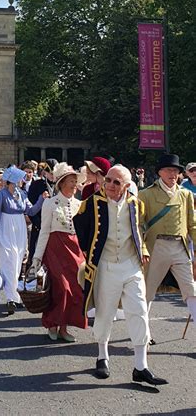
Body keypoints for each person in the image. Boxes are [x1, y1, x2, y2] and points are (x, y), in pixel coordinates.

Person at [74, 164, 167, 386]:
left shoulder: (136, 204)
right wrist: (87, 251)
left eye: (117, 182)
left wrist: (142, 249)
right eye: (108, 180)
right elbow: (79, 225)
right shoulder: (92, 203)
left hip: (131, 265)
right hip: (106, 265)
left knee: (139, 311)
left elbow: (138, 230)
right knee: (105, 313)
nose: (111, 185)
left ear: (127, 185)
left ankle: (141, 366)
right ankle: (102, 356)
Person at [139, 153, 196, 332]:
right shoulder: (145, 194)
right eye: (169, 170)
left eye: (176, 171)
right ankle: (143, 334)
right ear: (160, 172)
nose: (173, 174)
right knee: (147, 292)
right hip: (156, 248)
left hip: (180, 248)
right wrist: (142, 249)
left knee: (191, 290)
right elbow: (138, 225)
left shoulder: (186, 194)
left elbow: (193, 224)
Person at [32, 163, 87, 342]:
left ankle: (64, 327)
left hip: (75, 251)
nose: (74, 184)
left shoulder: (80, 204)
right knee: (60, 289)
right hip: (56, 249)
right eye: (71, 181)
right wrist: (37, 257)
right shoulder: (50, 203)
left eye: (75, 181)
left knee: (75, 290)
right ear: (62, 183)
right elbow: (44, 231)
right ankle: (52, 324)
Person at [0, 166, 41, 315]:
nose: (21, 181)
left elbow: (30, 211)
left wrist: (41, 200)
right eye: (19, 178)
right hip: (6, 230)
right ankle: (10, 298)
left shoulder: (22, 194)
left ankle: (15, 297)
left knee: (18, 264)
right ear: (13, 180)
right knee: (8, 264)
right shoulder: (1, 195)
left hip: (20, 231)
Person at [26, 158, 57, 270]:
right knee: (36, 253)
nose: (53, 176)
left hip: (56, 227)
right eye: (51, 173)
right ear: (45, 172)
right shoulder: (37, 185)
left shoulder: (61, 186)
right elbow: (30, 207)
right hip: (39, 225)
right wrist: (38, 224)